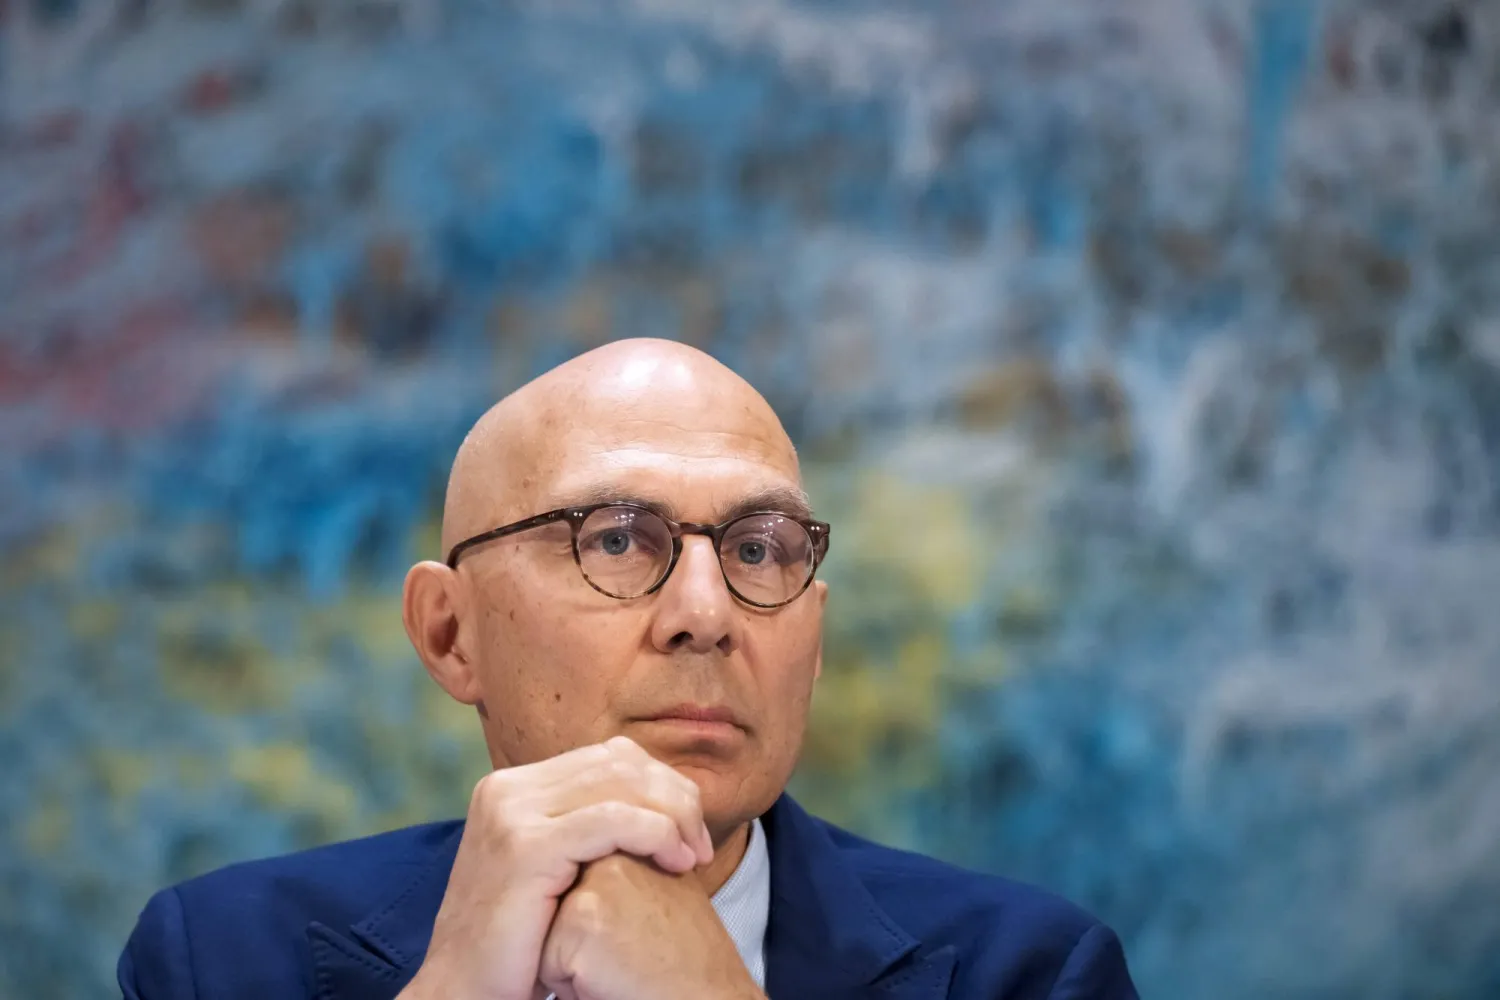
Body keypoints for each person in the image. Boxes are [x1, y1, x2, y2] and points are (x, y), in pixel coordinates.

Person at [118, 338, 1139, 1000]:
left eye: (757, 550)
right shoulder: (220, 959)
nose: (706, 615)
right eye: (613, 540)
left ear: (812, 644)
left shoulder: (1036, 972)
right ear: (448, 634)